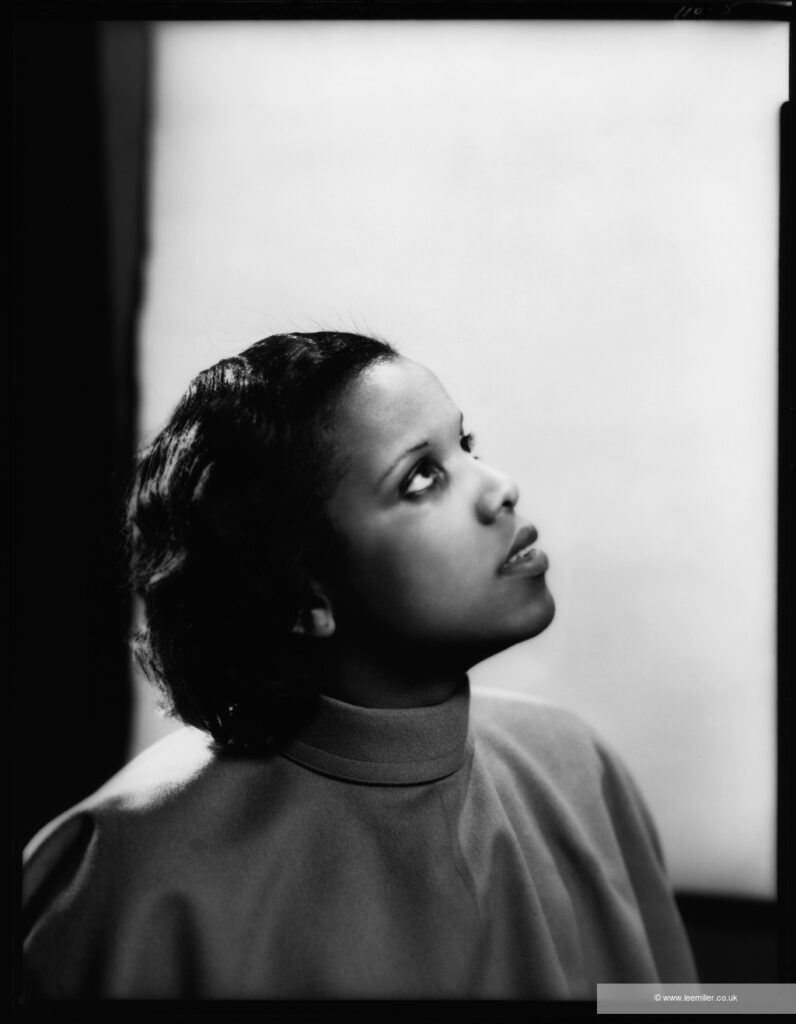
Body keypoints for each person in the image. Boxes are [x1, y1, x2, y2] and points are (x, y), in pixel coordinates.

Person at [22, 331, 697, 999]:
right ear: (303, 591)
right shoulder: (130, 869)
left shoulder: (575, 763)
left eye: (464, 447)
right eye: (421, 478)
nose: (500, 488)